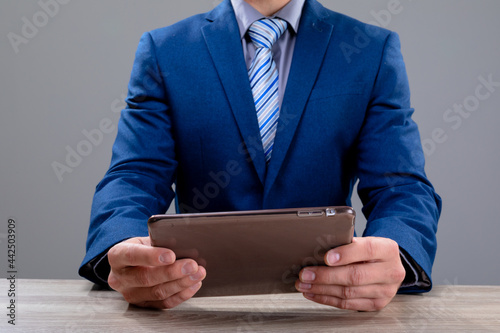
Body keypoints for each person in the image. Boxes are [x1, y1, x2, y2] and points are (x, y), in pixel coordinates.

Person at [79, 0, 442, 312]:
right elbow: (134, 176)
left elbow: (402, 187)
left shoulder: (370, 50)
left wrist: (398, 256)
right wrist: (122, 249)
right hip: (193, 304)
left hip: (326, 305)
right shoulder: (165, 50)